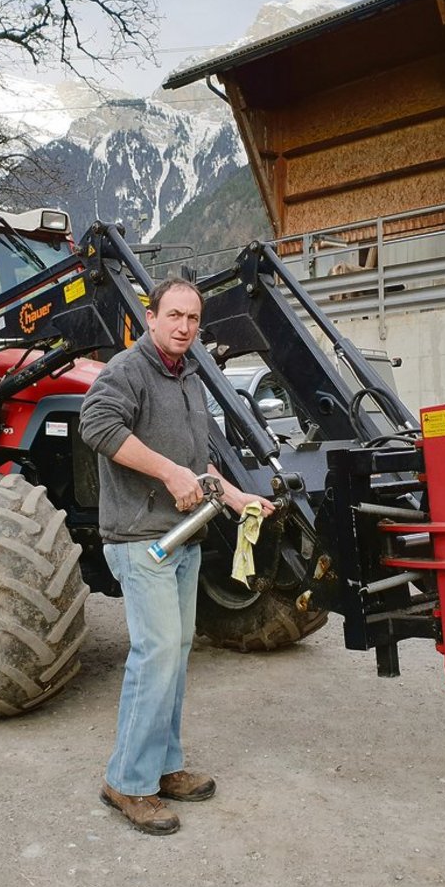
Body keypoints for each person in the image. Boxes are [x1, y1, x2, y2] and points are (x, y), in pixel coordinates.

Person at [79, 277, 272, 835]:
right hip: (142, 539)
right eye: (174, 316)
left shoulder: (188, 377)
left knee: (175, 652)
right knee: (157, 652)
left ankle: (162, 768)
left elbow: (197, 463)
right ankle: (127, 782)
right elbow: (97, 426)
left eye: (192, 318)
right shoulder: (127, 370)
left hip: (185, 534)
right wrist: (167, 472)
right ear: (152, 317)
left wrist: (238, 498)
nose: (184, 326)